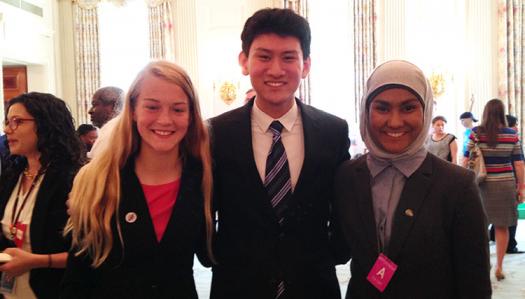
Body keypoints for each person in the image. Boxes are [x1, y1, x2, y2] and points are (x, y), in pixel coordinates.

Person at [209, 8, 350, 299]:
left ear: (306, 65)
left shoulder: (332, 131)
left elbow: (341, 206)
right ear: (244, 61)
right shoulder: (215, 133)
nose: (275, 70)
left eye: (288, 57)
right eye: (263, 56)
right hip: (237, 284)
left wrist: (334, 254)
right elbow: (205, 210)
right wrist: (215, 255)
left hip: (314, 285)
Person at [334, 60, 491, 298]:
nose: (395, 122)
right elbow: (338, 249)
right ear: (366, 111)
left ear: (425, 110)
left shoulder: (457, 186)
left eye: (408, 108)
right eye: (382, 108)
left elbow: (474, 283)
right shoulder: (347, 176)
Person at [61, 61, 214, 298]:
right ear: (133, 111)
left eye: (178, 109)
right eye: (152, 107)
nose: (165, 120)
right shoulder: (97, 180)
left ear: (191, 115)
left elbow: (209, 254)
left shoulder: (203, 177)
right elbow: (77, 276)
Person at [0, 92, 84, 299]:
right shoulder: (13, 175)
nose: (7, 129)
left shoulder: (74, 180)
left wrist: (36, 260)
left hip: (53, 290)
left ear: (46, 125)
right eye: (7, 121)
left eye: (17, 121)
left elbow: (90, 255)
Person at [464, 99, 525, 280]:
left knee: (479, 227)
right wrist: (522, 187)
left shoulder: (476, 133)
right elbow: (520, 164)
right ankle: (499, 265)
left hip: (480, 185)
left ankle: (483, 264)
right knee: (502, 226)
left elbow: (466, 160)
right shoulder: (511, 134)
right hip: (505, 185)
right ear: (501, 113)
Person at [489, 114, 523, 254]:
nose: (517, 127)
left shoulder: (493, 140)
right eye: (514, 124)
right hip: (509, 181)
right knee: (510, 215)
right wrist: (521, 185)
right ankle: (511, 245)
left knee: (495, 213)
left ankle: (493, 236)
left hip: (492, 182)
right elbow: (519, 164)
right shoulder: (511, 139)